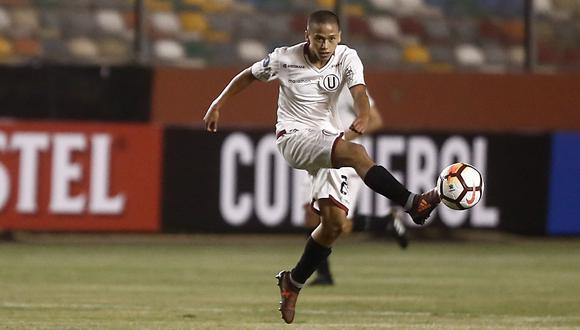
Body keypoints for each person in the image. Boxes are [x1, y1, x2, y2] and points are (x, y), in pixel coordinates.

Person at [203, 10, 440, 324]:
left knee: (335, 226)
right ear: (307, 36)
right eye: (319, 38)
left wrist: (363, 114)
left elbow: (359, 91)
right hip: (293, 138)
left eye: (331, 38)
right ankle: (414, 203)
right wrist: (218, 103)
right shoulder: (283, 59)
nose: (325, 44)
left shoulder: (347, 58)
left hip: (327, 138)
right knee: (357, 154)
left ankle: (293, 282)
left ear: (339, 37)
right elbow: (247, 75)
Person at [302, 87, 409, 286]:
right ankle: (324, 275)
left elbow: (375, 120)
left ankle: (385, 224)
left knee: (341, 225)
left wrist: (342, 139)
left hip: (342, 162)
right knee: (310, 216)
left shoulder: (348, 85)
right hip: (314, 157)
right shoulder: (305, 79)